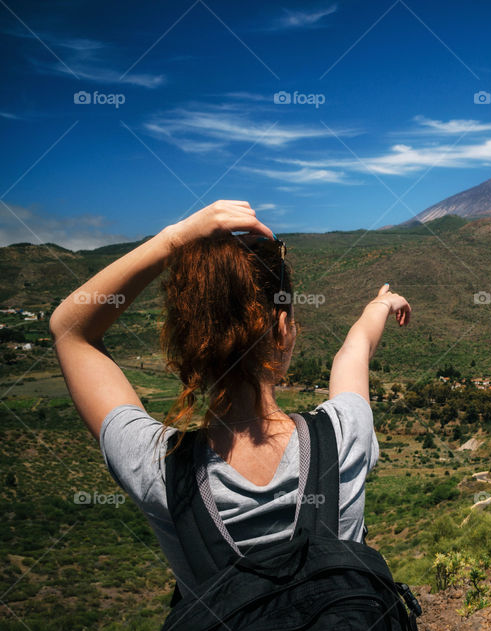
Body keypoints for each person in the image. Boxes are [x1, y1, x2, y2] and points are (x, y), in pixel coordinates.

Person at [49, 200, 411, 603]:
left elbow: (70, 330)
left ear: (187, 339)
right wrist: (380, 305)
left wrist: (176, 237)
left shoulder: (157, 470)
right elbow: (353, 351)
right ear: (283, 329)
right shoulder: (345, 436)